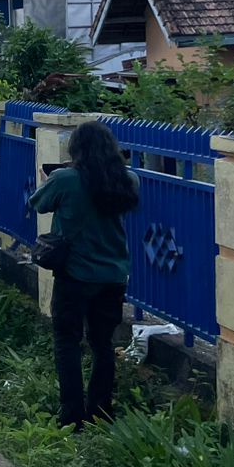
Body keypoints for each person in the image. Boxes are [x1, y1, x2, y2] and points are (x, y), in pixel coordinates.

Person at [28, 120, 140, 429]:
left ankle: (72, 416)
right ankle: (101, 412)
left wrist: (47, 178)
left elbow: (37, 204)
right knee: (102, 344)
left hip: (75, 275)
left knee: (67, 341)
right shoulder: (127, 180)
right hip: (113, 276)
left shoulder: (65, 179)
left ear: (76, 150)